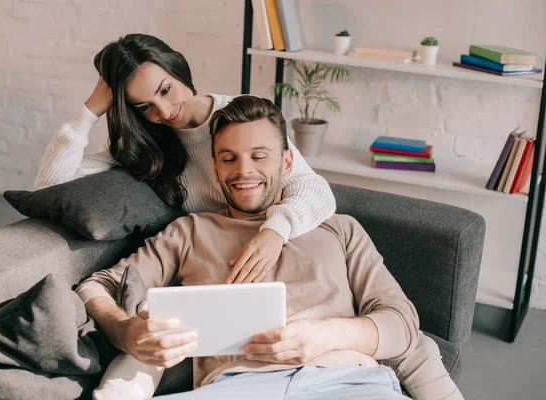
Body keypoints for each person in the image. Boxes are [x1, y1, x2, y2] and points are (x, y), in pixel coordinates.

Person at [76, 95, 433, 399]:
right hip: (234, 387)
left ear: (287, 161)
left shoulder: (340, 229)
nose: (243, 171)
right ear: (215, 169)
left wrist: (324, 336)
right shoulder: (190, 232)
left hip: (345, 381)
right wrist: (124, 331)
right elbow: (96, 285)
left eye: (259, 156)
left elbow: (402, 323)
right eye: (229, 158)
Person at [34, 33, 336, 285]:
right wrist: (90, 110)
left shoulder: (240, 116)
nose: (164, 112)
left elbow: (315, 189)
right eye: (144, 107)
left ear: (177, 67)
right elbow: (48, 189)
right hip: (213, 265)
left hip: (277, 252)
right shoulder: (145, 143)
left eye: (165, 90)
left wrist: (273, 233)